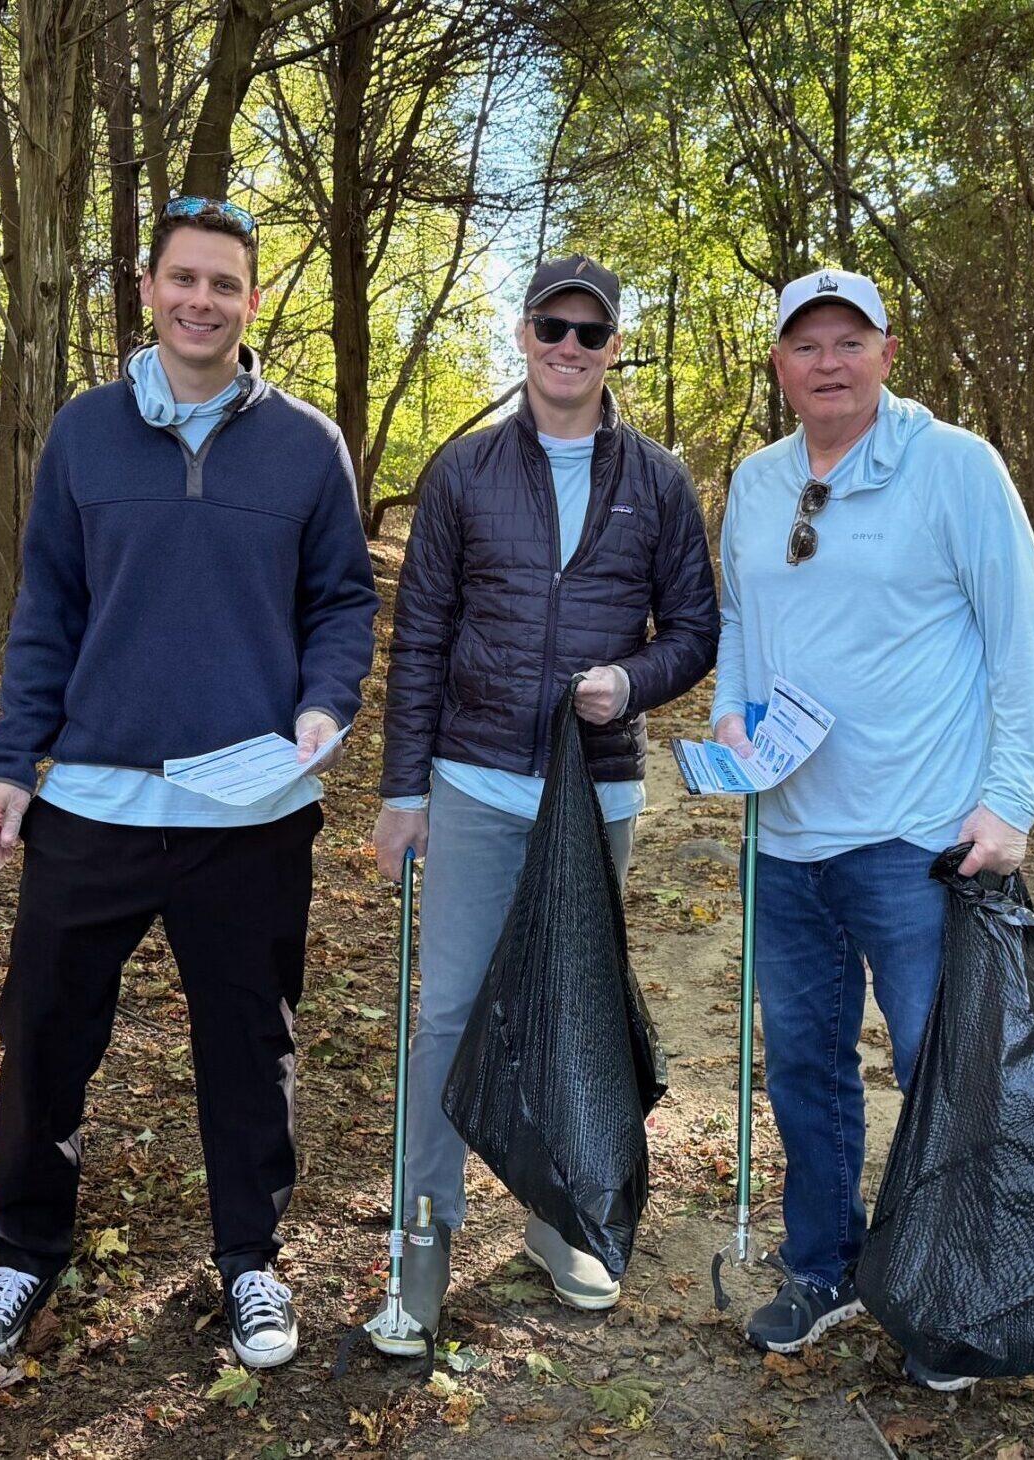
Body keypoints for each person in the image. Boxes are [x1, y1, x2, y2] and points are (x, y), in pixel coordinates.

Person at [0, 198, 378, 1372]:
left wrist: (323, 702)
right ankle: (24, 1249)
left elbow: (344, 598)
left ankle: (250, 1260)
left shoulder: (306, 444)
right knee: (43, 1029)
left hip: (251, 811)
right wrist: (8, 761)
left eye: (225, 283)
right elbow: (47, 610)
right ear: (147, 289)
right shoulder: (84, 435)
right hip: (92, 801)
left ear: (252, 299)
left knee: (250, 1043)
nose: (202, 300)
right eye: (182, 278)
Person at [712, 268, 1034, 1390]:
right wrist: (728, 709)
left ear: (886, 351)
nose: (827, 360)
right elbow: (737, 620)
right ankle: (826, 1265)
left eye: (847, 340)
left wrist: (1009, 802)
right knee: (804, 1067)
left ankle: (957, 1289)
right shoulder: (757, 482)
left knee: (943, 1070)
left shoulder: (955, 467)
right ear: (779, 363)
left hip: (918, 841)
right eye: (804, 343)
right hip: (787, 837)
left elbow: (1020, 638)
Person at [367, 255, 720, 1352]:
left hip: (598, 787)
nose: (568, 347)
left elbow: (697, 632)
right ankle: (423, 1230)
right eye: (550, 327)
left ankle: (555, 1216)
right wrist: (401, 789)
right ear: (522, 335)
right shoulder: (464, 472)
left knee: (570, 1005)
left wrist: (633, 684)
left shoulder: (658, 481)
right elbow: (419, 637)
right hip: (473, 780)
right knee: (450, 1012)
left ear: (616, 345)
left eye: (590, 331)